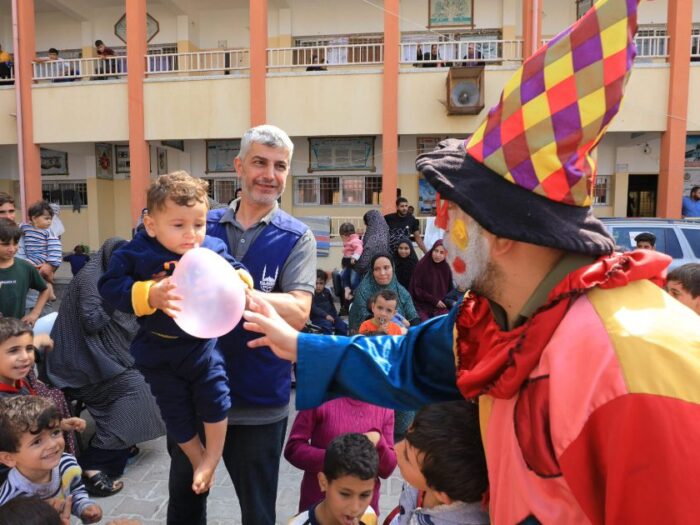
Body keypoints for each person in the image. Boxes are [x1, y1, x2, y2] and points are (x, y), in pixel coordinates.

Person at [242, 1, 700, 521]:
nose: (440, 228)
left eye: (452, 211)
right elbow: (408, 360)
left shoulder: (634, 366)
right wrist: (302, 346)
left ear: (503, 234)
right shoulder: (503, 314)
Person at [167, 124, 316, 525]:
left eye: (279, 166)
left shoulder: (296, 237)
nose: (269, 174)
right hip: (193, 396)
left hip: (259, 400)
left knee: (258, 512)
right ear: (239, 166)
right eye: (259, 162)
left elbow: (300, 310)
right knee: (184, 507)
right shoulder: (199, 226)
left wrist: (232, 291)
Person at [98, 172, 252, 495]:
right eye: (178, 225)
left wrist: (241, 278)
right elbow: (110, 287)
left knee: (217, 397)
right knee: (174, 411)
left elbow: (234, 266)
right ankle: (199, 461)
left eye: (198, 224)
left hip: (201, 347)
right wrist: (148, 294)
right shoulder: (137, 251)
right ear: (152, 224)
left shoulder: (210, 246)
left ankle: (212, 456)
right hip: (158, 351)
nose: (191, 235)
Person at [47, 237, 166, 497]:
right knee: (140, 391)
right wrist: (115, 296)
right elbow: (92, 321)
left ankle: (122, 442)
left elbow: (133, 319)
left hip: (108, 358)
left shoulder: (121, 275)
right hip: (80, 365)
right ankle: (95, 462)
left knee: (158, 377)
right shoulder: (91, 279)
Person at [284, 393, 395, 514]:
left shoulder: (384, 404)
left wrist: (379, 441)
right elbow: (293, 448)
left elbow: (387, 469)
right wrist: (336, 459)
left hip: (363, 513)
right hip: (320, 507)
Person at [0, 396, 101, 523]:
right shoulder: (9, 503)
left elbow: (75, 490)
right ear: (8, 458)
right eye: (37, 442)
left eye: (55, 432)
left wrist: (84, 507)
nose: (53, 444)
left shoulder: (67, 463)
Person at [388, 401, 489, 525]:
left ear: (441, 494)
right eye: (405, 437)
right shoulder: (431, 476)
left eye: (407, 457)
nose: (397, 447)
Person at [288, 433, 379, 525]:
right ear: (323, 482)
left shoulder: (369, 516)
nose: (354, 508)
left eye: (364, 495)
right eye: (345, 494)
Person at [349, 253, 419, 333]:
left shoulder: (401, 292)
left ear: (393, 268)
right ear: (372, 271)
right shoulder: (363, 291)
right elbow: (362, 318)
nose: (382, 273)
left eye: (386, 268)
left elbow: (413, 317)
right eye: (377, 269)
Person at [0, 219, 50, 326]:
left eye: (15, 243)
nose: (12, 249)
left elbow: (45, 290)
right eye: (5, 244)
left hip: (16, 332)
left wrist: (35, 313)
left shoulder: (25, 267)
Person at [20, 201, 62, 299]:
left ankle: (48, 292)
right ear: (34, 218)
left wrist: (51, 264)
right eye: (46, 218)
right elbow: (15, 228)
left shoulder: (49, 232)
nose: (49, 222)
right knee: (42, 277)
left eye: (50, 219)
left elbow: (55, 247)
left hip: (42, 259)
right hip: (32, 258)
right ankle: (49, 291)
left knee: (26, 269)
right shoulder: (25, 227)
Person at [409, 240, 453, 321]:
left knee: (446, 321)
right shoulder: (422, 265)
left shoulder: (446, 267)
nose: (437, 255)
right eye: (436, 251)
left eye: (441, 252)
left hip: (440, 306)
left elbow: (450, 289)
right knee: (426, 324)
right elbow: (416, 289)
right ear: (432, 250)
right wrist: (434, 300)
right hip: (422, 305)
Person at [311, 270, 348, 336]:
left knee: (342, 325)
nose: (318, 286)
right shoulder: (311, 294)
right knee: (328, 325)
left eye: (321, 283)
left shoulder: (327, 292)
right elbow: (314, 308)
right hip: (318, 318)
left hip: (330, 316)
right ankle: (328, 343)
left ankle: (339, 342)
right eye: (316, 283)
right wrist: (326, 315)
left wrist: (336, 316)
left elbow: (332, 305)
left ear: (325, 283)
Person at [354, 210, 390, 278]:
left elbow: (364, 262)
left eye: (367, 224)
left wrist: (354, 266)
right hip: (382, 272)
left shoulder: (374, 238)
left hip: (370, 276)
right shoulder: (384, 233)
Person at [339, 222, 363, 301]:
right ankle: (347, 289)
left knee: (353, 280)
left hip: (353, 264)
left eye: (342, 237)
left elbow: (359, 248)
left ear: (344, 235)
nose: (342, 239)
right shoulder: (349, 241)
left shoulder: (355, 240)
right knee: (343, 275)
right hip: (348, 263)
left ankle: (355, 293)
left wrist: (355, 257)